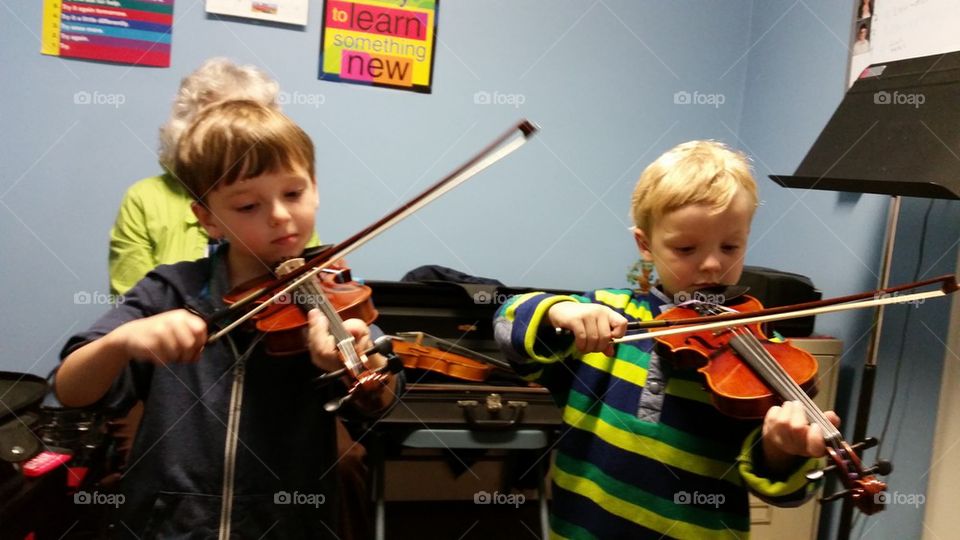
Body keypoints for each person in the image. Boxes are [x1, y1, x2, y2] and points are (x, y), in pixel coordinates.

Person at [57, 100, 399, 538]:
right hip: (170, 525)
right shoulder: (170, 291)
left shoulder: (332, 293)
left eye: (293, 194)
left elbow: (382, 398)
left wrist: (358, 363)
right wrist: (120, 342)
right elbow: (70, 390)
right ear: (208, 219)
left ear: (315, 188)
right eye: (247, 206)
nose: (279, 215)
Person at [494, 140, 840, 538]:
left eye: (731, 246)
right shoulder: (608, 313)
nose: (712, 265)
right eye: (686, 248)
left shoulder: (764, 349)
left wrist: (781, 453)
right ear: (645, 244)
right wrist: (559, 311)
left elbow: (789, 492)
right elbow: (508, 323)